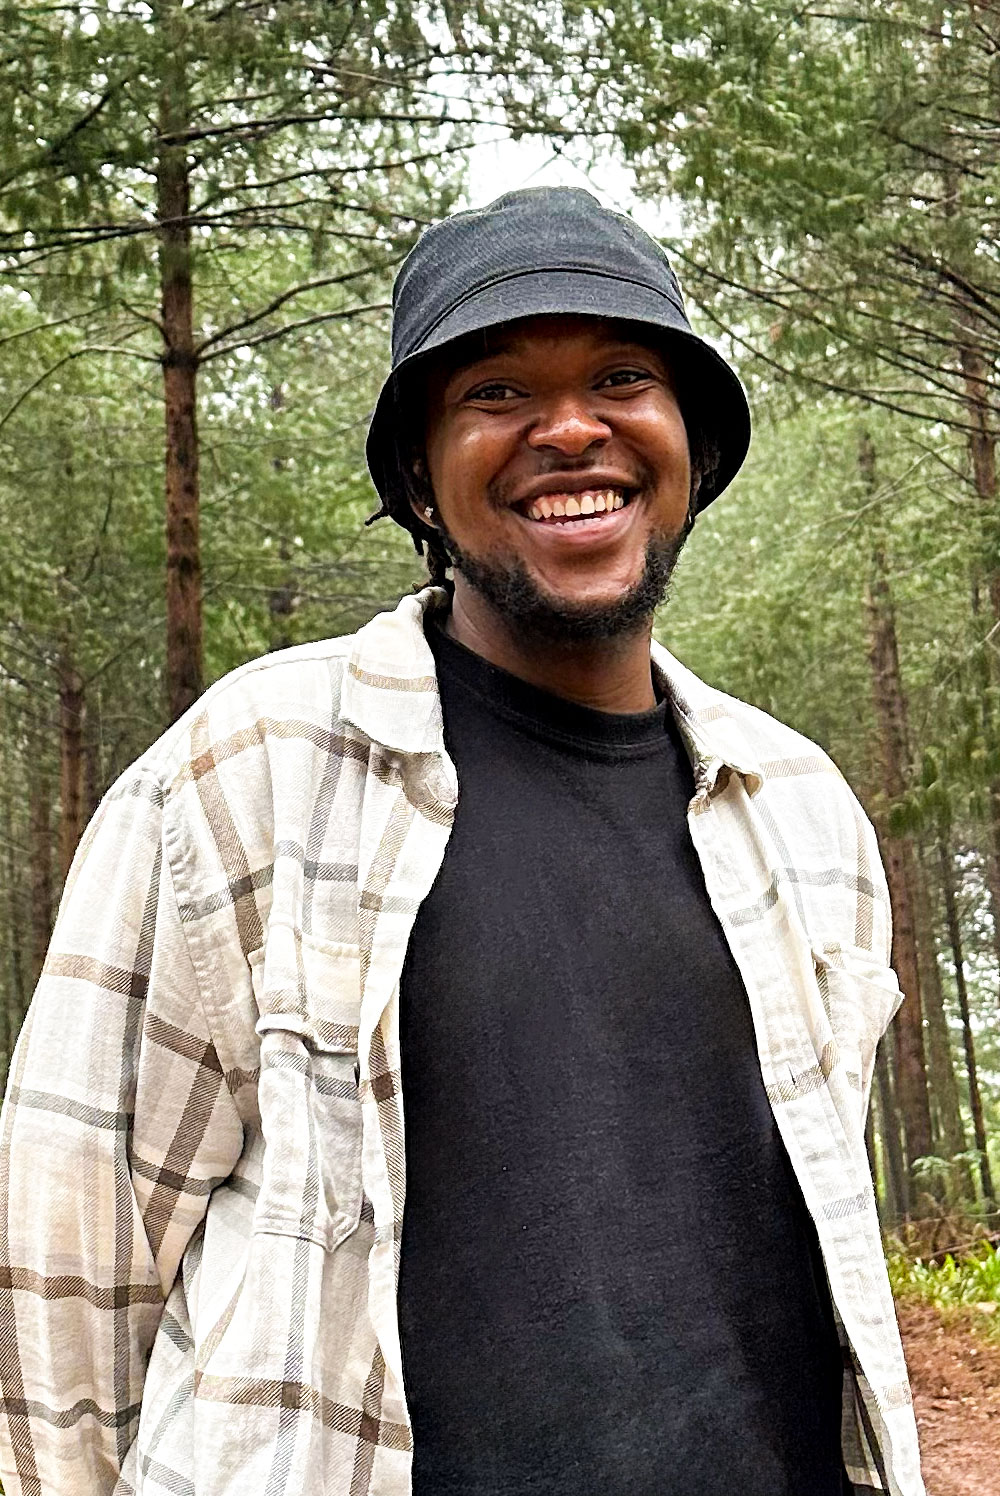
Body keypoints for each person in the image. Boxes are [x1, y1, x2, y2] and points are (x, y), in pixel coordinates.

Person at [0, 187, 923, 1496]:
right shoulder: (243, 778)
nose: (570, 428)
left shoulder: (801, 808)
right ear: (421, 482)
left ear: (689, 447)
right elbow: (66, 1269)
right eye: (495, 392)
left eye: (623, 376)